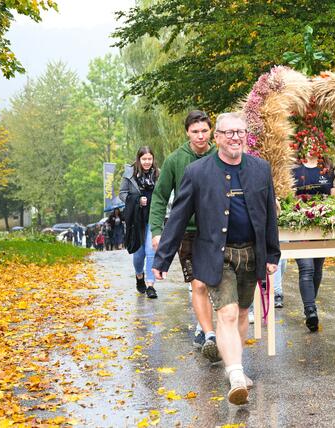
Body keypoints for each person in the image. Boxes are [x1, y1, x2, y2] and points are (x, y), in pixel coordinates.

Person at [152, 112, 280, 405]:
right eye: (229, 132)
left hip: (251, 252)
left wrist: (272, 252)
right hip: (215, 253)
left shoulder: (261, 169)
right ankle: (236, 375)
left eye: (240, 132)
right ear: (218, 137)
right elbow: (179, 217)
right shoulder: (197, 172)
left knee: (244, 312)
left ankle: (232, 362)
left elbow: (269, 215)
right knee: (227, 313)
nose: (235, 137)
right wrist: (162, 259)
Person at [149, 110, 220, 360]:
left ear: (210, 131)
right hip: (188, 231)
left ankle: (208, 326)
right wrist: (157, 231)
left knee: (216, 282)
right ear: (187, 133)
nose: (200, 136)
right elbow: (159, 197)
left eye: (204, 131)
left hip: (218, 230)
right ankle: (208, 332)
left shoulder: (220, 155)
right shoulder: (176, 160)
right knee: (198, 283)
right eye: (195, 132)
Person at [292, 139, 334, 332]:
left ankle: (310, 304)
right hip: (299, 225)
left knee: (317, 269)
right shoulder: (294, 169)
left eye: (315, 143)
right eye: (307, 143)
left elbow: (334, 194)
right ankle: (310, 310)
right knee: (306, 268)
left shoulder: (327, 168)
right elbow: (287, 196)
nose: (311, 148)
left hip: (321, 226)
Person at [120, 146, 160, 298]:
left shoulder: (158, 174)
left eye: (150, 159)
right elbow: (122, 194)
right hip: (136, 219)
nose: (147, 162)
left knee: (151, 251)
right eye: (144, 159)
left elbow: (163, 193)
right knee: (138, 254)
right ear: (139, 159)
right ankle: (139, 276)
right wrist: (137, 200)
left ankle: (150, 285)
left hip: (153, 217)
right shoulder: (129, 174)